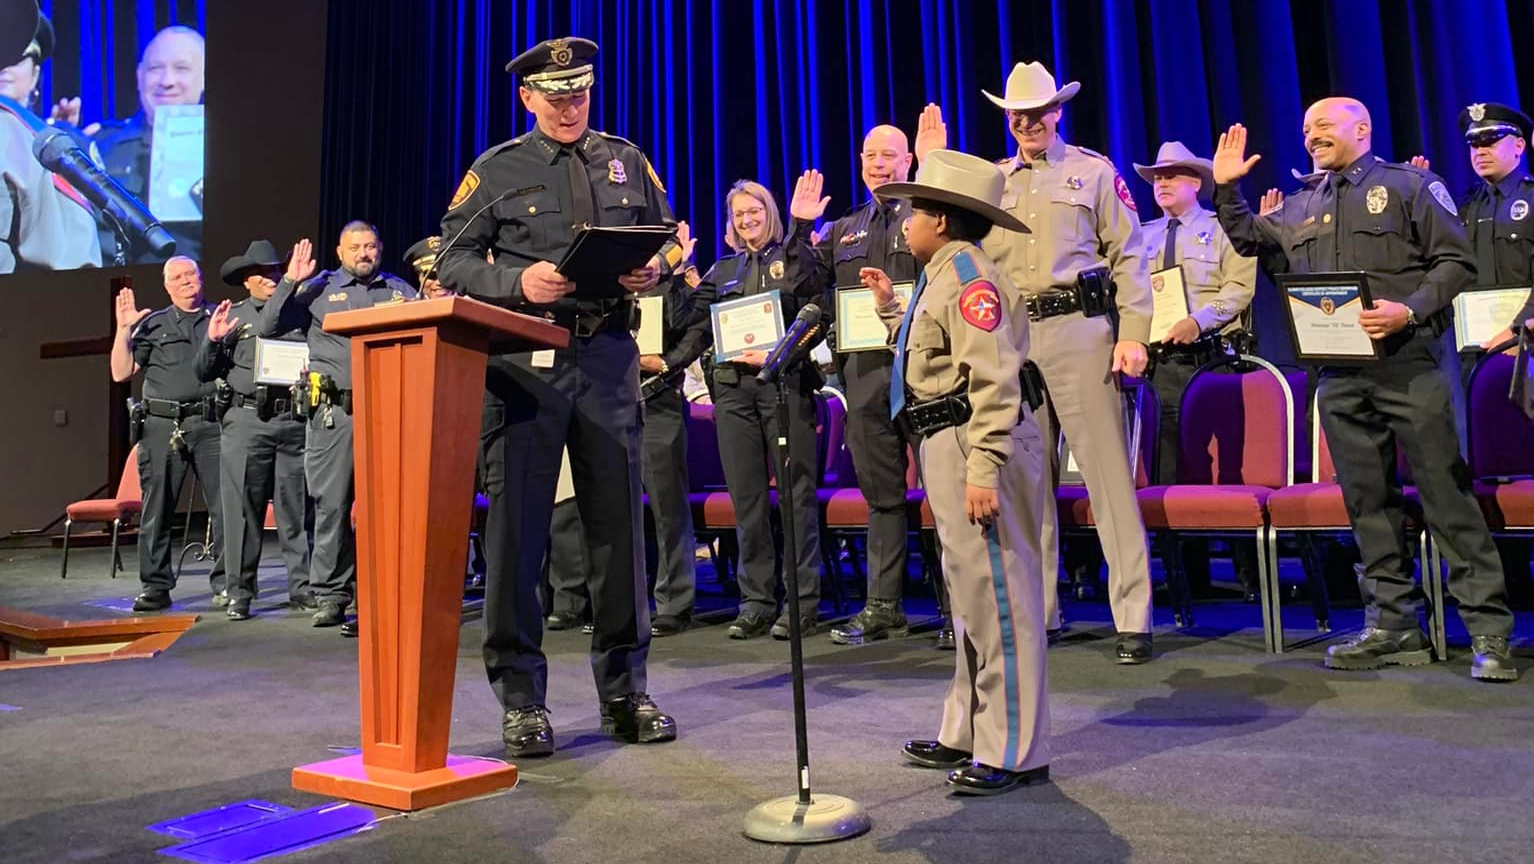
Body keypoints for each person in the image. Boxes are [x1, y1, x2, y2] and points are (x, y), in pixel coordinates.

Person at [1212, 98, 1518, 681]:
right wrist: (1227, 190)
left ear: (1362, 128)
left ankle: (1488, 628)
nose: (1312, 136)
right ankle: (1394, 625)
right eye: (1306, 129)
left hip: (1410, 365)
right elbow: (1252, 240)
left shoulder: (1409, 186)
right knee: (1367, 504)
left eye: (1324, 125)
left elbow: (1456, 262)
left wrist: (1410, 309)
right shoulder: (1301, 203)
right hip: (1339, 373)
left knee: (1445, 495)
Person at [436, 37, 680, 758]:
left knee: (619, 532)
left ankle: (626, 692)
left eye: (579, 94)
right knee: (518, 536)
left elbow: (665, 240)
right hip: (525, 362)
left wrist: (653, 271)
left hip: (607, 356)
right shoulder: (497, 168)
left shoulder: (625, 158)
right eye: (556, 96)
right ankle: (522, 701)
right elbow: (450, 260)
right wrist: (518, 282)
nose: (570, 107)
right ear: (527, 98)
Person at [924, 62, 1155, 662]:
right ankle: (1041, 612)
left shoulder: (1093, 172)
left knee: (1107, 478)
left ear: (1057, 112)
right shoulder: (993, 180)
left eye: (1036, 112)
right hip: (1015, 338)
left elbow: (1130, 257)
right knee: (1026, 480)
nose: (1027, 123)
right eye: (1016, 115)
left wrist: (1133, 333)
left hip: (1080, 330)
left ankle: (1132, 617)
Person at [863, 148, 1049, 795]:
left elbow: (994, 377)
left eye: (914, 210)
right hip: (947, 438)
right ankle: (969, 730)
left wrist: (985, 467)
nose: (905, 221)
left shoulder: (968, 276)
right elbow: (933, 357)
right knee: (971, 595)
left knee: (999, 597)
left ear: (940, 220)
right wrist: (891, 310)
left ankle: (1013, 748)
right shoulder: (941, 274)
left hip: (974, 439)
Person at [787, 122, 953, 648]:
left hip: (923, 369)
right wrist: (799, 229)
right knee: (881, 495)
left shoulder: (929, 216)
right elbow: (804, 285)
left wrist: (935, 172)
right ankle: (884, 606)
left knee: (945, 493)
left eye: (890, 155)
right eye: (870, 155)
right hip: (863, 375)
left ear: (908, 161)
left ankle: (958, 608)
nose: (879, 164)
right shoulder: (844, 228)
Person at [681, 179, 823, 641]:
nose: (746, 221)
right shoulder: (724, 269)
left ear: (770, 213)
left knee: (796, 497)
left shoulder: (792, 257)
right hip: (733, 393)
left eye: (754, 212)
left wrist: (801, 227)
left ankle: (800, 603)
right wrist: (675, 268)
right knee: (747, 500)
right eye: (738, 214)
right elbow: (691, 324)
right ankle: (757, 602)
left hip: (783, 385)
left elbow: (816, 304)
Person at [258, 226, 417, 636]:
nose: (364, 253)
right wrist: (290, 280)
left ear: (380, 249)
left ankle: (379, 595)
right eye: (355, 247)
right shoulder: (319, 289)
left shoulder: (399, 290)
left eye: (370, 246)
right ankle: (331, 595)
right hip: (335, 415)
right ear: (340, 252)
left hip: (389, 413)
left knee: (385, 509)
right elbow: (269, 326)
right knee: (332, 506)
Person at [1133, 141, 1261, 599]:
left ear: (1195, 182)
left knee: (1231, 464)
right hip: (1160, 363)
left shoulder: (1222, 229)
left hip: (1212, 360)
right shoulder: (1141, 235)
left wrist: (1197, 321)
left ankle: (1249, 574)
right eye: (1157, 177)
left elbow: (1239, 289)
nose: (1162, 183)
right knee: (1170, 461)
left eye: (1171, 176)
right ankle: (1186, 576)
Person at [195, 240, 313, 621]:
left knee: (295, 510)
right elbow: (203, 371)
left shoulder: (300, 311)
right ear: (246, 281)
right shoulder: (232, 315)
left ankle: (303, 588)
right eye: (260, 273)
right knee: (242, 512)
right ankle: (240, 592)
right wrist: (212, 341)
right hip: (247, 421)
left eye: (275, 271)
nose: (269, 278)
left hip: (292, 420)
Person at [110, 256, 225, 611]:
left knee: (226, 506)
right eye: (177, 277)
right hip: (163, 426)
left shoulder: (220, 317)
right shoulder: (153, 324)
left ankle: (227, 583)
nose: (186, 280)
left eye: (191, 274)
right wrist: (123, 329)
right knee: (157, 509)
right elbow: (121, 372)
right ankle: (156, 586)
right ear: (166, 285)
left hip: (211, 424)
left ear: (201, 278)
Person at [88, 25, 204, 263]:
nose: (167, 81)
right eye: (155, 69)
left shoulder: (227, 151)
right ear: (139, 76)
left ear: (204, 77)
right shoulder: (100, 147)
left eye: (181, 68)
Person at [639, 220, 704, 636]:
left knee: (668, 509)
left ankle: (674, 603)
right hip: (609, 405)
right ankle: (619, 604)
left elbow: (695, 327)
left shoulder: (669, 285)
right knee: (612, 510)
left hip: (658, 402)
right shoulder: (607, 282)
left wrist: (667, 363)